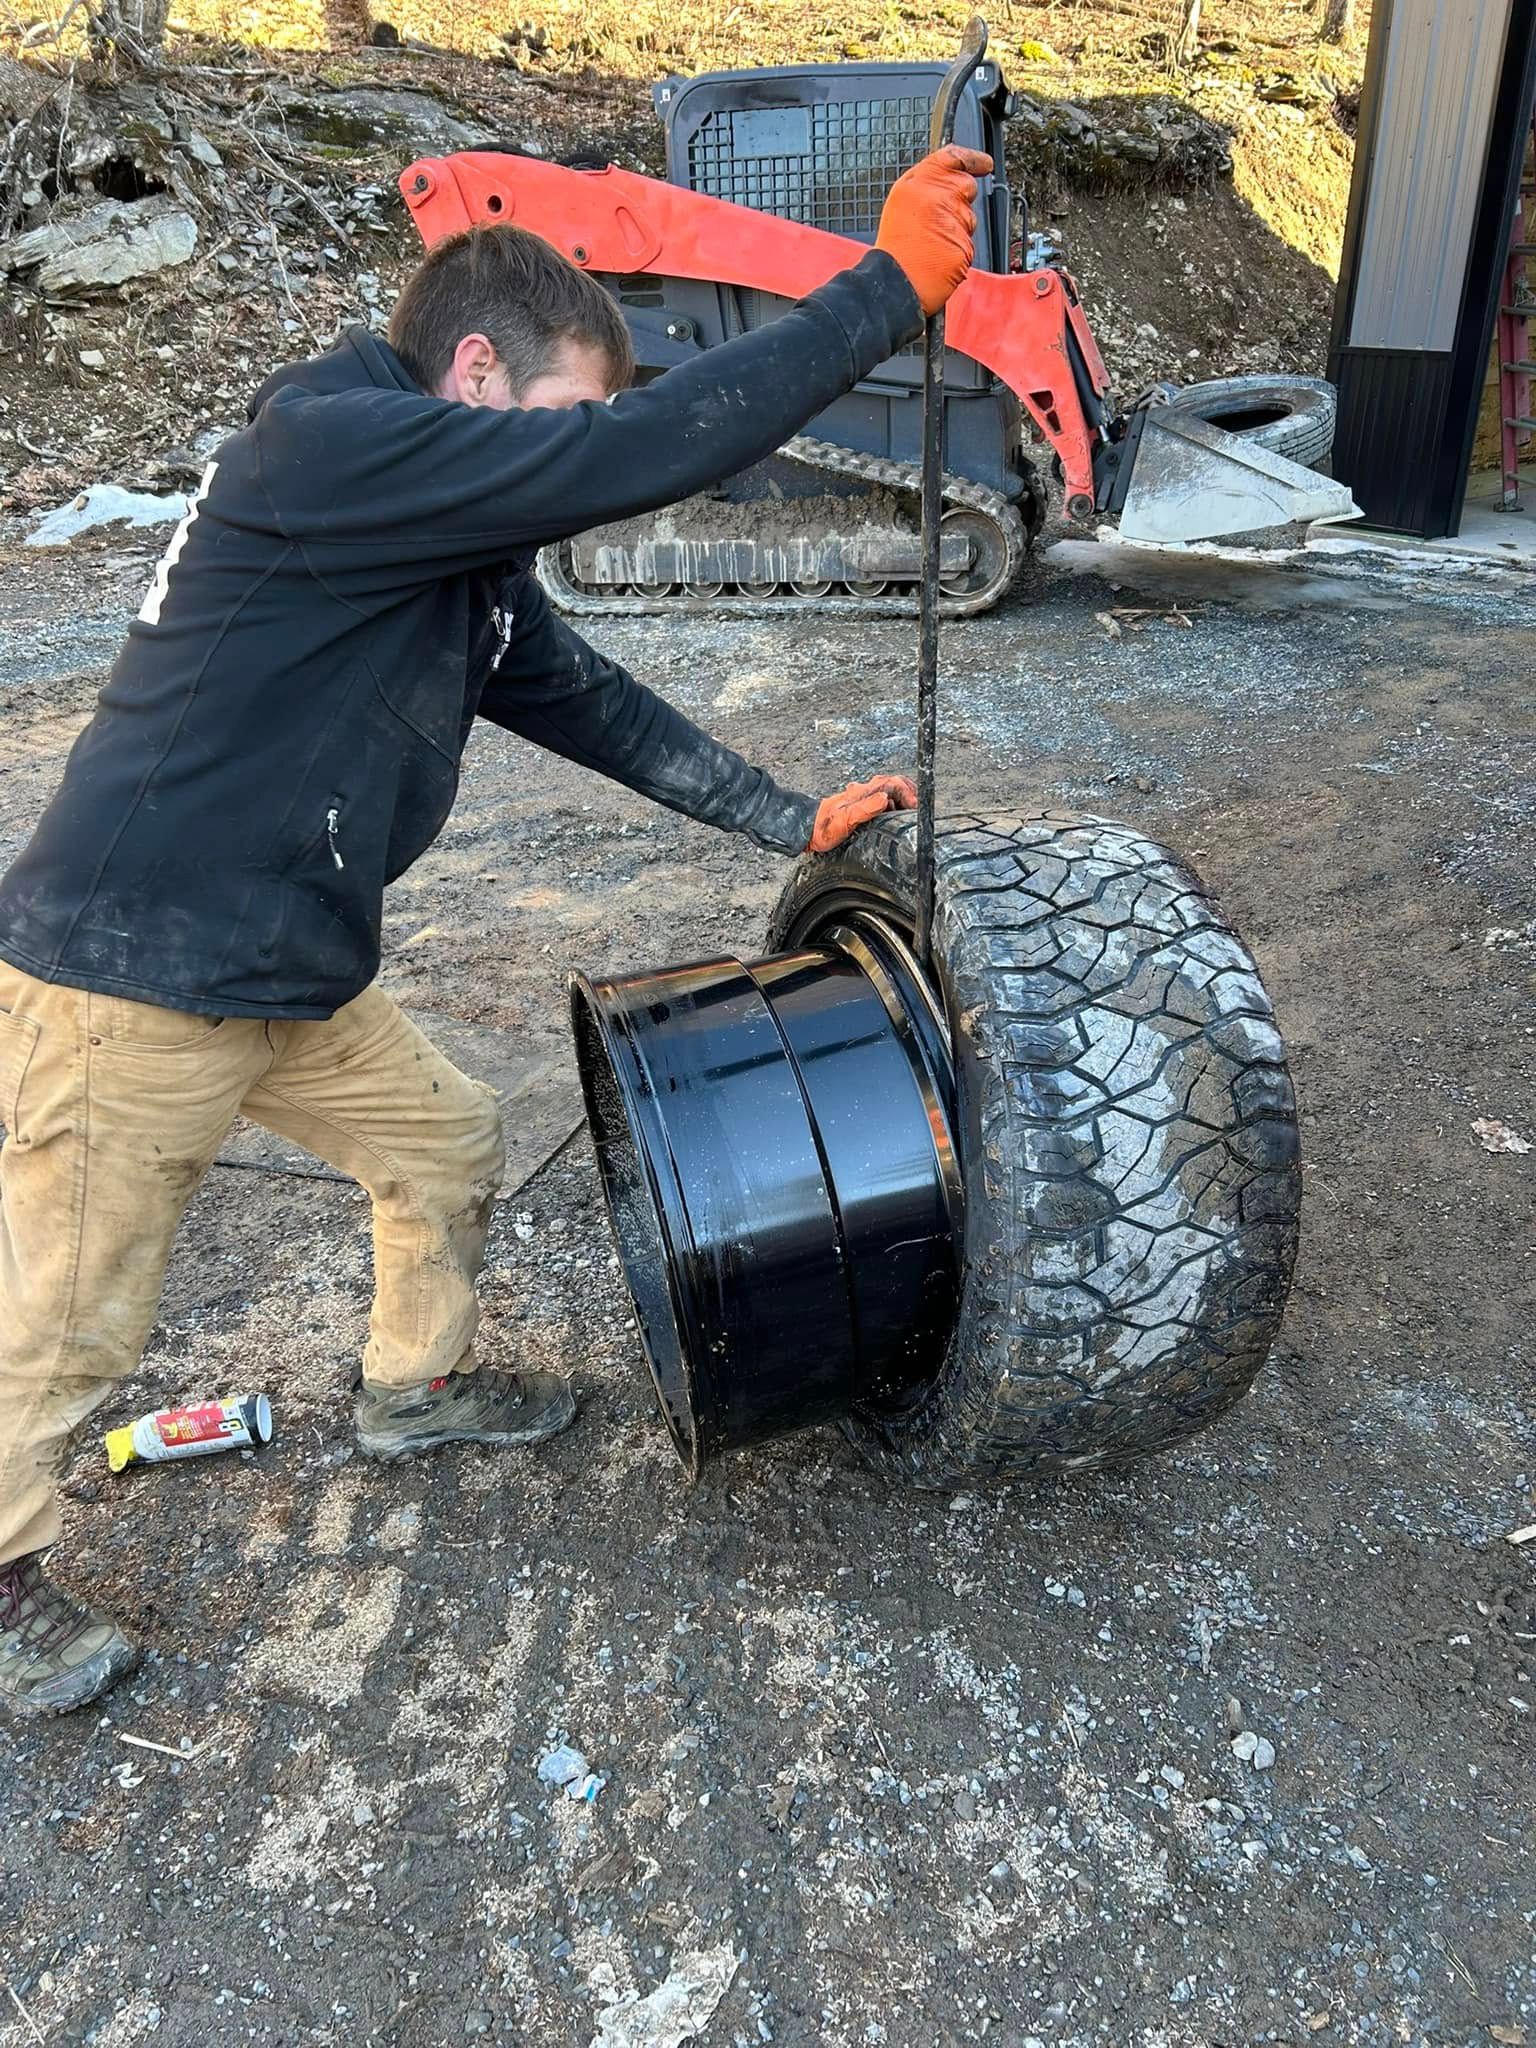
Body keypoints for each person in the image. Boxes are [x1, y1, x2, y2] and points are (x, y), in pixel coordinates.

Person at [0, 144, 991, 1718]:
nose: (576, 457)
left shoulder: (440, 539)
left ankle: (416, 1388)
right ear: (475, 369)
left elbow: (586, 700)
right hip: (134, 973)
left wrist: (784, 815)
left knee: (450, 1145)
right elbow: (648, 453)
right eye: (562, 419)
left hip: (285, 959)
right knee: (62, 1321)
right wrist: (883, 293)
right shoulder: (329, 453)